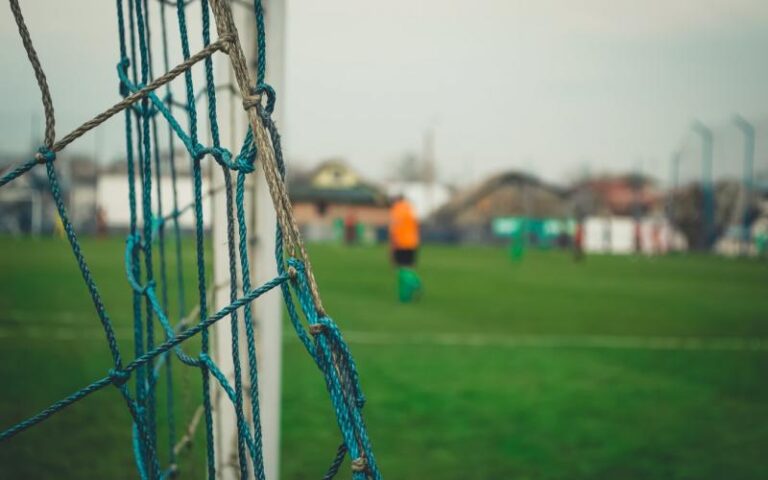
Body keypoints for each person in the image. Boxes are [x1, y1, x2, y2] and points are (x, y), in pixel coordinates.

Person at [389, 195, 421, 302]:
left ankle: (413, 284)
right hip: (413, 242)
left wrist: (392, 245)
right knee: (409, 267)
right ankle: (408, 294)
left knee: (401, 268)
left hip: (401, 242)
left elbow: (394, 229)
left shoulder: (396, 210)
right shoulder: (411, 209)